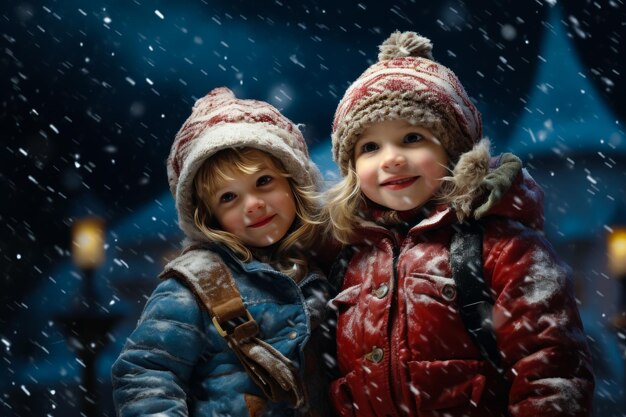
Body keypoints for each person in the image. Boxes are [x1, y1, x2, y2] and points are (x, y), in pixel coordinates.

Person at [322, 31, 594, 417]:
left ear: (454, 152)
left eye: (412, 137)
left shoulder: (502, 246)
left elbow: (550, 365)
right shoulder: (348, 256)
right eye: (369, 147)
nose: (391, 159)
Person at [112, 87, 333, 417]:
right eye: (229, 197)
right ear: (208, 216)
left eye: (263, 182)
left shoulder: (326, 265)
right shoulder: (196, 284)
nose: (253, 205)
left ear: (294, 181)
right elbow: (146, 373)